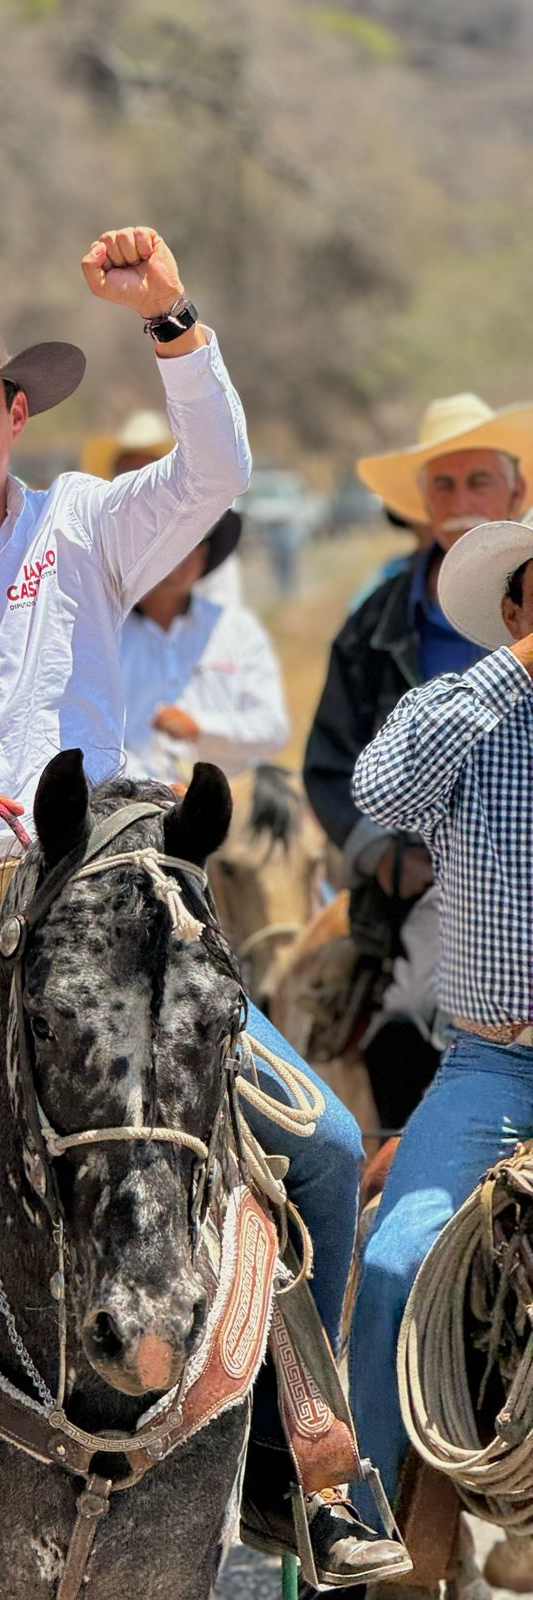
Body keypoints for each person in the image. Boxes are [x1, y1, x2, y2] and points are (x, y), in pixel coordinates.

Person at [0, 226, 404, 1598]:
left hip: (110, 906)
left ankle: (310, 1468)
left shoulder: (91, 530)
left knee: (330, 1144)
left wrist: (173, 318)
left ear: (16, 414)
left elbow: (218, 469)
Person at [347, 519, 533, 1562]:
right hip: (495, 1061)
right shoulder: (456, 715)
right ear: (513, 612)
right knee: (392, 1263)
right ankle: (366, 1520)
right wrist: (518, 673)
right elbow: (381, 794)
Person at [304, 392, 532, 1129]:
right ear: (423, 502)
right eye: (444, 484)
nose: (460, 500)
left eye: (478, 482)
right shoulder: (374, 621)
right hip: (415, 872)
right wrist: (381, 856)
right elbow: (333, 764)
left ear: (516, 492)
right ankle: (404, 1143)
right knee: (406, 1014)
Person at [120, 508, 289, 783]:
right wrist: (151, 787)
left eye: (192, 542)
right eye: (166, 545)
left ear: (205, 552)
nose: (179, 556)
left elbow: (272, 728)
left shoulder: (238, 629)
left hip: (233, 801)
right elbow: (90, 737)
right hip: (136, 811)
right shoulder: (107, 638)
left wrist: (201, 727)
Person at [81, 404, 243, 605]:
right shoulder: (94, 539)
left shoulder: (204, 534)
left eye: (145, 471)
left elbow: (218, 615)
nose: (134, 482)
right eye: (126, 471)